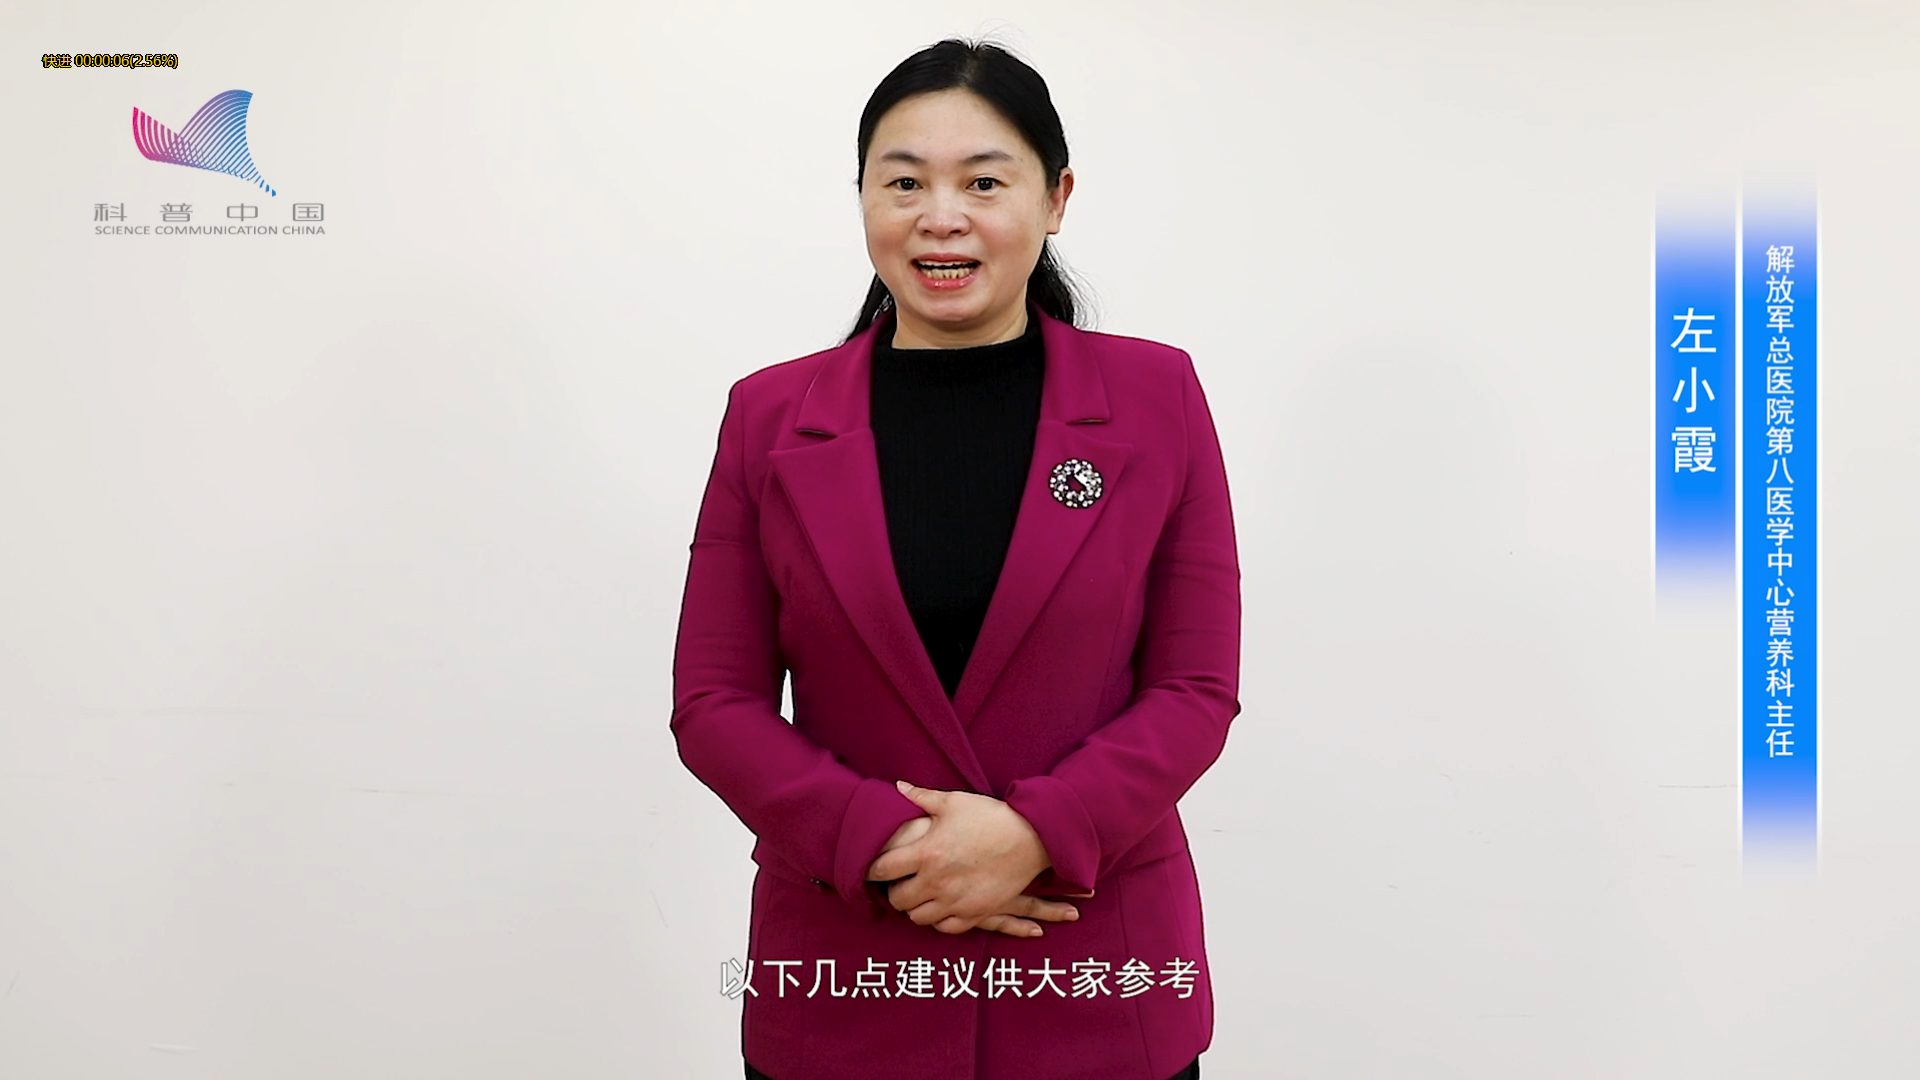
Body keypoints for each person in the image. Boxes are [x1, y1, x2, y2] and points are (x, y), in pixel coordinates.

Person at [671, 36, 1240, 1080]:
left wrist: (1038, 835)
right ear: (862, 199)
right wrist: (890, 844)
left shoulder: (1157, 400)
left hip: (1093, 978)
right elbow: (713, 703)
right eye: (904, 182)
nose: (942, 217)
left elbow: (1195, 687)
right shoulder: (769, 417)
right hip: (849, 976)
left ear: (1056, 198)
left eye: (984, 181)